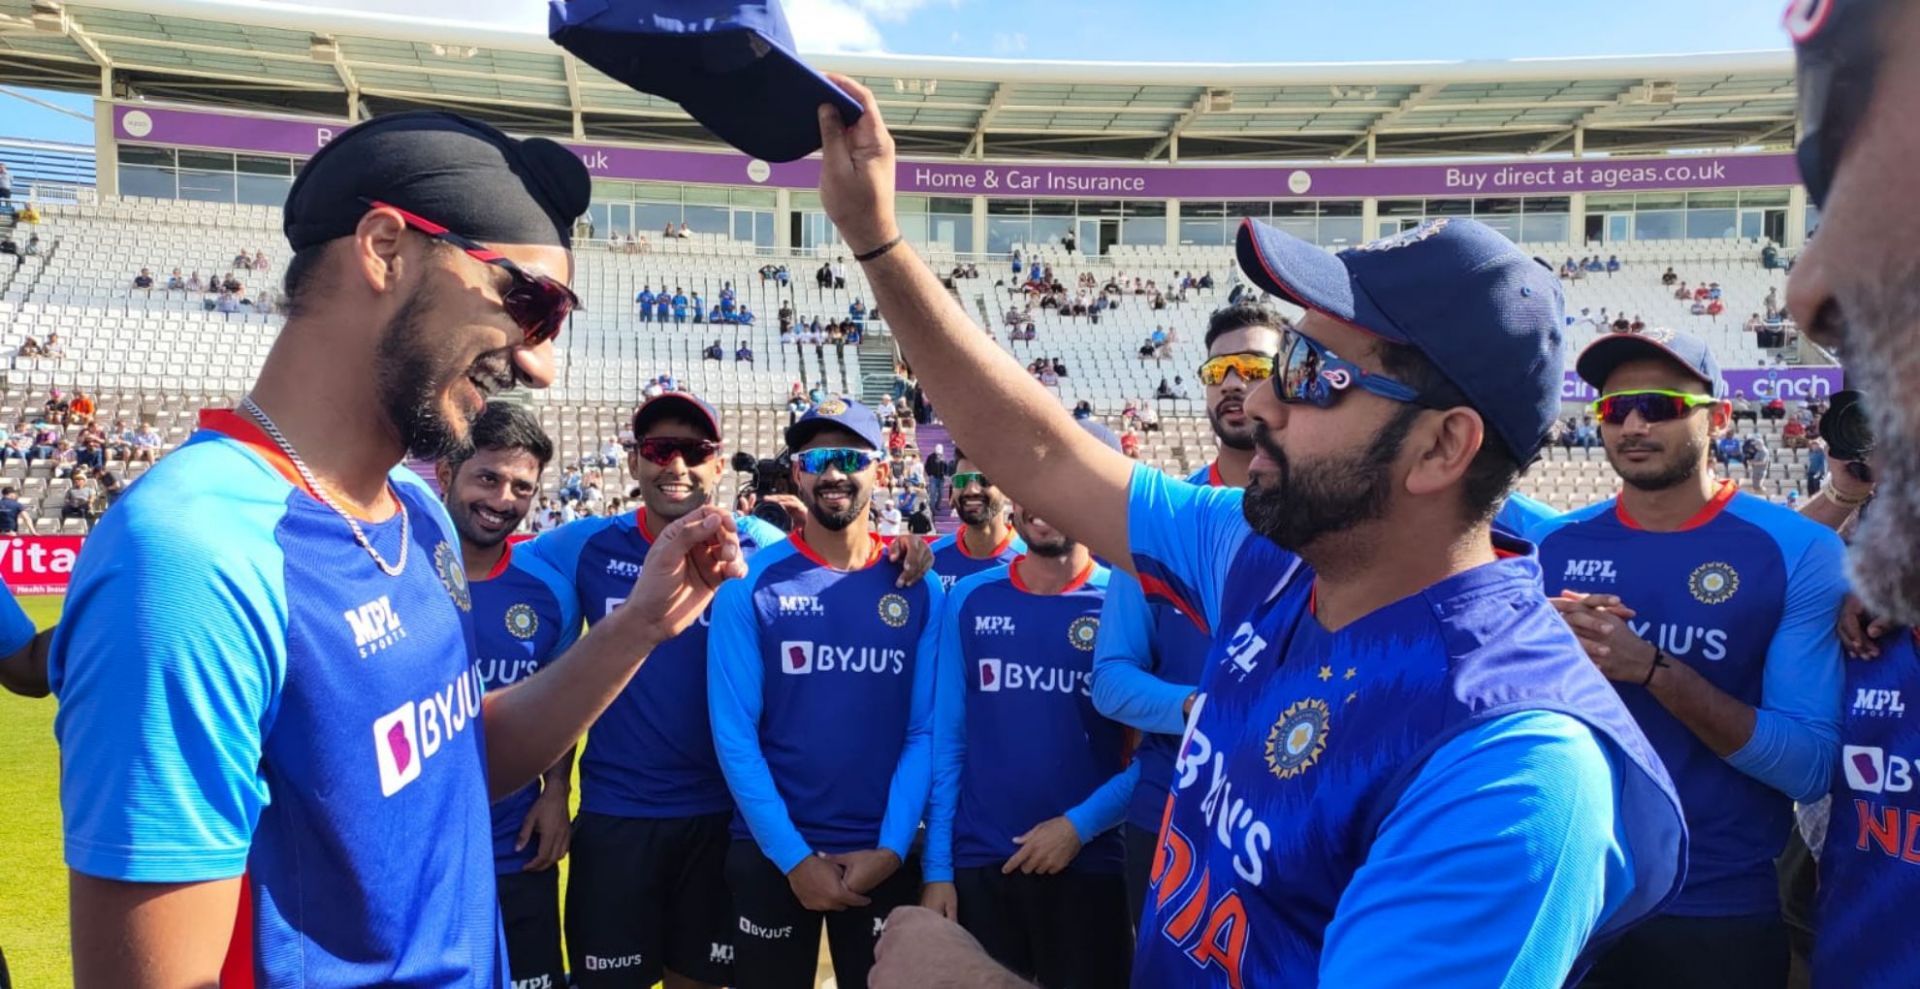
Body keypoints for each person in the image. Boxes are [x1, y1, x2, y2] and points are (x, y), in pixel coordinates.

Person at [811, 74, 1685, 988]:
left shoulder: (1514, 771)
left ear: (1440, 447)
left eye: (1312, 371)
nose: (1258, 401)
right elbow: (1043, 452)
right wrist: (879, 242)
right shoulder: (1267, 553)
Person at [47, 110, 753, 988]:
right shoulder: (190, 558)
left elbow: (456, 757)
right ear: (385, 246)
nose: (540, 366)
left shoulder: (418, 514)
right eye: (528, 302)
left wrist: (640, 625)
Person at [520, 392, 929, 988]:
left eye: (694, 451)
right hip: (618, 813)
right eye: (659, 450)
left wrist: (910, 547)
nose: (676, 466)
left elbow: (827, 554)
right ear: (634, 461)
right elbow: (494, 568)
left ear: (717, 464)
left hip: (721, 817)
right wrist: (555, 785)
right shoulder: (583, 544)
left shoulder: (753, 548)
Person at [1531, 331, 1846, 989]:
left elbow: (1810, 766)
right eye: (1615, 410)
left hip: (1714, 908)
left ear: (1720, 418)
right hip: (1569, 901)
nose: (1636, 423)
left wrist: (1652, 668)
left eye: (1661, 404)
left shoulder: (1798, 551)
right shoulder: (1555, 545)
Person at [706, 397, 942, 989]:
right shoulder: (749, 588)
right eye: (815, 460)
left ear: (880, 470)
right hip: (771, 854)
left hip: (883, 854)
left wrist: (890, 850)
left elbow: (925, 730)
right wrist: (793, 858)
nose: (833, 474)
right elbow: (736, 738)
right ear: (796, 475)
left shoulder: (921, 587)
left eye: (848, 457)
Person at [1090, 301, 1283, 919]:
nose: (1232, 382)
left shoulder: (1327, 517)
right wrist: (1194, 709)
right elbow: (1111, 679)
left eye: (1252, 366)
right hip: (1167, 813)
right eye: (1217, 370)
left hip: (1288, 820)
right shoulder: (1162, 521)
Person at [922, 440, 1136, 988]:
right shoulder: (969, 598)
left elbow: (1157, 754)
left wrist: (1077, 827)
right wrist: (939, 871)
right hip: (981, 864)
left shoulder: (1125, 601)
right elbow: (948, 742)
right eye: (1031, 488)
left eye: (1061, 489)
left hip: (1090, 863)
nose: (1045, 504)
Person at [435, 402, 579, 989]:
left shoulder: (547, 592)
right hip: (422, 859)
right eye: (487, 478)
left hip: (516, 850)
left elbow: (563, 702)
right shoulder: (395, 572)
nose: (502, 500)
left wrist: (556, 791)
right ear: (446, 474)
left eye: (522, 487)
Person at [929, 454, 1025, 593]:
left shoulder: (1030, 561)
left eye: (984, 480)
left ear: (1007, 490)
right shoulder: (929, 560)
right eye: (961, 481)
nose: (971, 490)